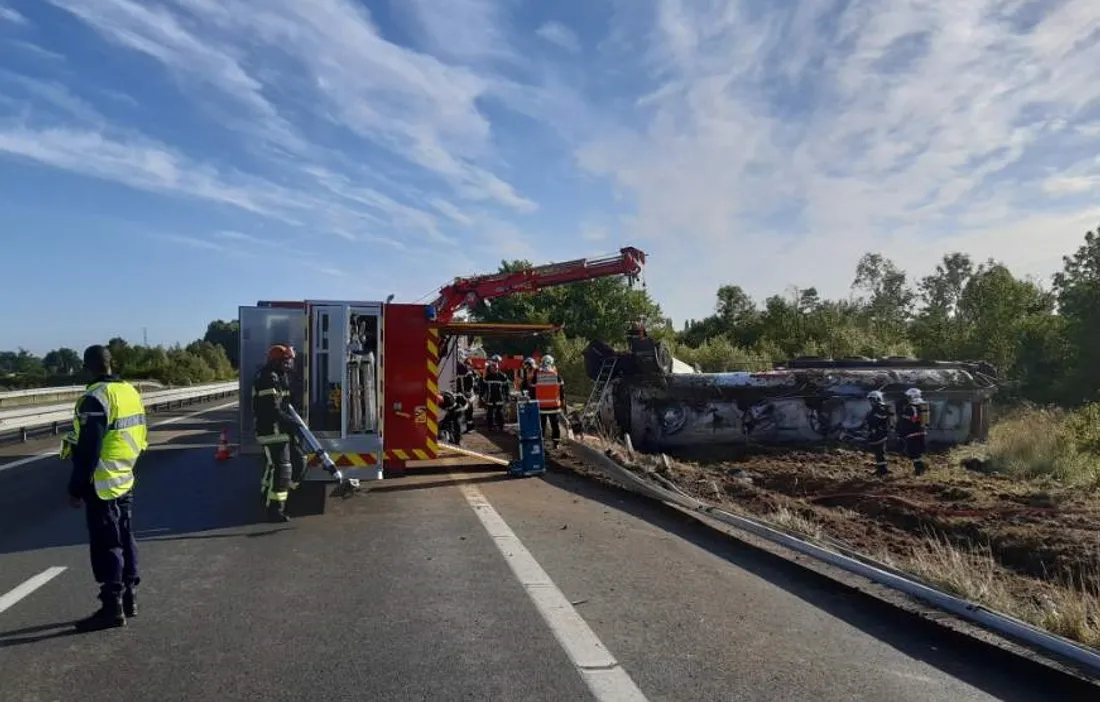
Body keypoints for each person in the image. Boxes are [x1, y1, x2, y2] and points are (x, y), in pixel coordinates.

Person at [64, 345, 148, 632]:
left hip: (101, 482)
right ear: (111, 363)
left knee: (106, 543)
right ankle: (129, 599)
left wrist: (75, 487)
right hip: (125, 475)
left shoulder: (95, 398)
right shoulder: (129, 392)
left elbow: (89, 449)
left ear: (88, 367)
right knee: (125, 536)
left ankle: (111, 607)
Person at [252, 344, 306, 523]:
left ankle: (269, 494)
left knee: (293, 462)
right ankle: (275, 509)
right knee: (282, 468)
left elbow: (286, 404)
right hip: (271, 430)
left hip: (279, 430)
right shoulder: (268, 378)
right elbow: (271, 410)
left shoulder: (279, 376)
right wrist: (294, 424)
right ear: (275, 361)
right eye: (284, 361)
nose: (288, 364)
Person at [533, 355, 565, 449]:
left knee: (541, 426)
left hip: (541, 406)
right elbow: (562, 391)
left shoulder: (537, 375)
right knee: (555, 425)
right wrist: (563, 402)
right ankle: (556, 443)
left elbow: (532, 389)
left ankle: (541, 443)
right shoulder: (556, 375)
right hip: (554, 406)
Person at [897, 387, 929, 476]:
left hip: (912, 432)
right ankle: (920, 467)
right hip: (921, 432)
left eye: (909, 396)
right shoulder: (923, 405)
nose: (907, 398)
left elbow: (912, 420)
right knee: (916, 452)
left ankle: (920, 469)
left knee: (913, 452)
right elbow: (925, 421)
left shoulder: (912, 407)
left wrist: (903, 416)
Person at [864, 390, 892, 477]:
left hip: (880, 433)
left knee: (880, 452)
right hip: (874, 434)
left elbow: (877, 420)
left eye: (873, 400)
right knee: (877, 453)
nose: (871, 402)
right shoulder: (874, 409)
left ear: (878, 399)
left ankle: (883, 471)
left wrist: (871, 425)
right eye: (870, 400)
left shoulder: (881, 409)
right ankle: (881, 469)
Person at [482, 356, 511, 431]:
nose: (494, 369)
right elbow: (483, 386)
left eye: (495, 368)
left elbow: (506, 387)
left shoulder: (502, 376)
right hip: (490, 398)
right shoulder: (487, 377)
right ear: (490, 368)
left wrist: (507, 396)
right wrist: (482, 396)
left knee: (499, 413)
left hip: (499, 397)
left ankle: (500, 427)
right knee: (489, 413)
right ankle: (490, 427)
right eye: (493, 367)